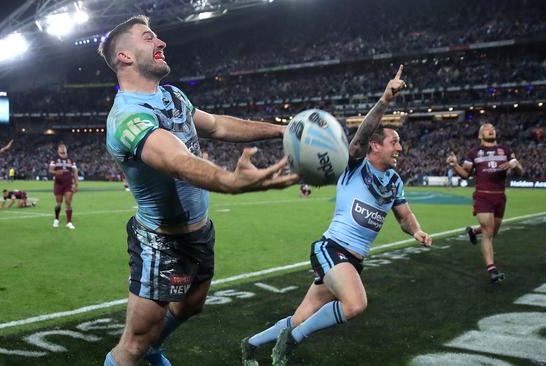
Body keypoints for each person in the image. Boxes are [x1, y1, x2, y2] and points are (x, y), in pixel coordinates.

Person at [97, 15, 298, 366]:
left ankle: (155, 347)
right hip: (161, 242)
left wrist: (283, 131)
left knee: (192, 304)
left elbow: (218, 126)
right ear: (125, 57)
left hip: (199, 232)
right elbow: (175, 158)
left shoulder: (172, 96)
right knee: (133, 345)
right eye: (149, 38)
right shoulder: (126, 118)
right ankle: (145, 349)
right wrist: (230, 182)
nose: (160, 43)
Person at [242, 65, 432, 366]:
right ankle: (291, 342)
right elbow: (359, 138)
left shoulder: (394, 180)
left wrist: (417, 231)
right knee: (355, 303)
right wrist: (384, 100)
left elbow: (404, 216)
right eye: (393, 142)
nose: (399, 148)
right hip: (331, 249)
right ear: (375, 146)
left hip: (354, 260)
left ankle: (250, 345)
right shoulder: (355, 163)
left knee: (300, 317)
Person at [446, 122, 522, 283]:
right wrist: (454, 166)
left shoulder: (506, 151)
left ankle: (473, 231)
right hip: (483, 196)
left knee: (493, 231)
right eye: (487, 128)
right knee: (488, 233)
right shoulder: (474, 153)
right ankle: (492, 269)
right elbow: (466, 174)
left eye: (493, 128)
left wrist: (514, 165)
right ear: (480, 135)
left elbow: (519, 171)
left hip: (500, 196)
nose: (491, 129)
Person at [49, 143, 78, 229]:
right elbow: (50, 170)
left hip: (68, 183)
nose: (62, 149)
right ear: (58, 150)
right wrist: (56, 172)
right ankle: (56, 219)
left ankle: (69, 222)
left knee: (68, 202)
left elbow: (75, 171)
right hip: (58, 183)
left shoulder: (71, 160)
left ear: (66, 149)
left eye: (64, 147)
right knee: (59, 203)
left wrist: (76, 184)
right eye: (60, 147)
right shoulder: (54, 159)